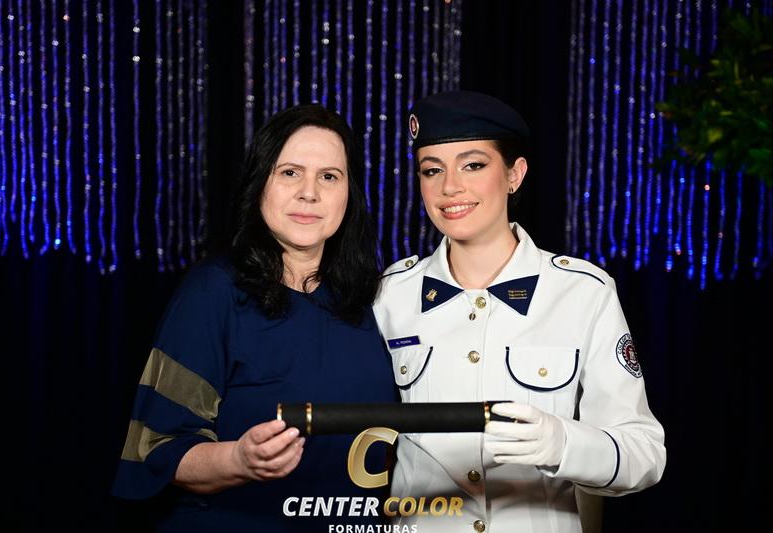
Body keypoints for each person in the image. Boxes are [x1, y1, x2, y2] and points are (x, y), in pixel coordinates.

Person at [374, 91, 666, 533]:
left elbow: (645, 454)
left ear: (515, 174)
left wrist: (562, 443)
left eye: (473, 165)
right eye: (432, 170)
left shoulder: (583, 293)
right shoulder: (389, 295)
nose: (449, 187)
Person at [112, 104, 397, 531]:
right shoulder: (212, 292)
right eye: (290, 173)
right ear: (260, 181)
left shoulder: (380, 299)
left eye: (329, 176)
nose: (309, 193)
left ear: (349, 194)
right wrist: (239, 459)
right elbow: (157, 447)